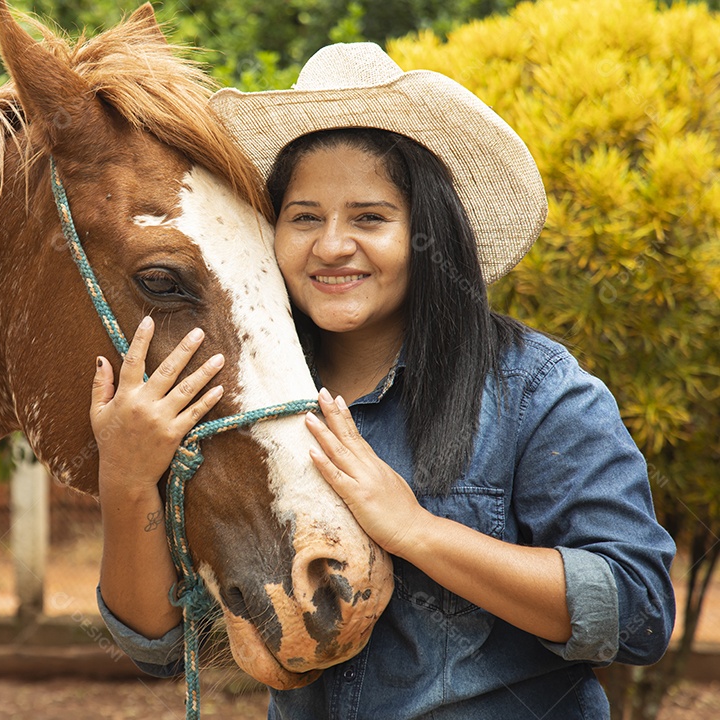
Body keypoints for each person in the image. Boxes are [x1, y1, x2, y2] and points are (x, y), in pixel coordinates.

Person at [89, 42, 676, 718]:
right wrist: (127, 480)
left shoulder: (536, 392)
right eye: (304, 216)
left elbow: (636, 613)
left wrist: (417, 531)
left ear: (428, 231)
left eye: (370, 217)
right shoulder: (234, 394)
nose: (332, 245)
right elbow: (156, 645)